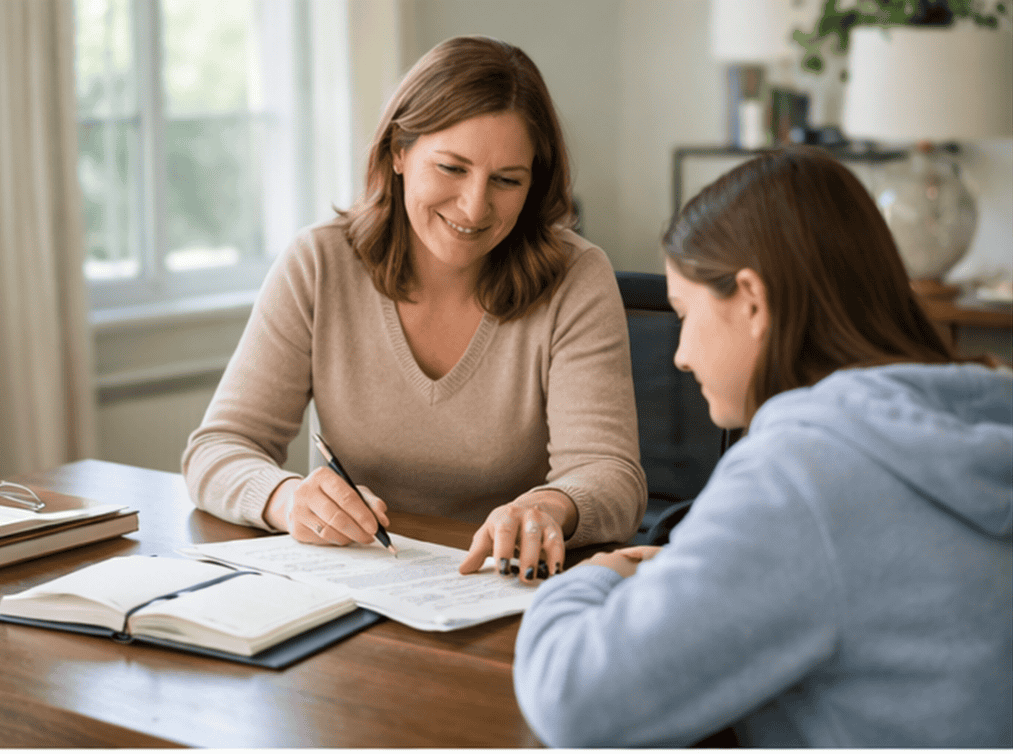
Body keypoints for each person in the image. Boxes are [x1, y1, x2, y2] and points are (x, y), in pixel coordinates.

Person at [512, 146, 1012, 747]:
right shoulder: (978, 410)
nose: (680, 354)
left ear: (751, 298)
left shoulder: (804, 473)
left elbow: (573, 700)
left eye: (684, 313)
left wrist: (599, 573)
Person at [181, 35, 646, 582]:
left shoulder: (576, 276)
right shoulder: (319, 263)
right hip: (355, 587)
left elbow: (612, 477)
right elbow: (217, 450)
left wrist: (548, 507)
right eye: (451, 168)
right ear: (398, 153)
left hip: (504, 589)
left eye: (507, 180)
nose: (475, 207)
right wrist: (287, 499)